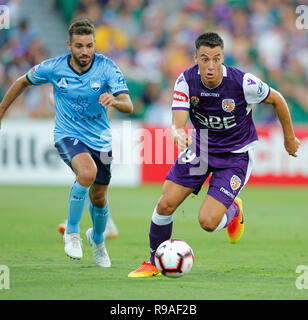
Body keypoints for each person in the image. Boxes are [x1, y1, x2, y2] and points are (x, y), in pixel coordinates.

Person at [128, 32, 300, 277]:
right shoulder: (185, 81)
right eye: (205, 59)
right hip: (202, 148)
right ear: (195, 58)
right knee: (165, 204)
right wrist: (178, 134)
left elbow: (279, 99)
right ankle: (154, 262)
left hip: (235, 156)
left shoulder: (244, 82)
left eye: (217, 59)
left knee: (208, 222)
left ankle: (234, 212)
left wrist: (289, 138)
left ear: (223, 58)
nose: (211, 66)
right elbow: (178, 123)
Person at [0, 17, 133, 268]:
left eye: (89, 46)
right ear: (69, 45)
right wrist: (1, 112)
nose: (85, 51)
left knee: (100, 198)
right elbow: (21, 82)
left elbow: (129, 104)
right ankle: (72, 232)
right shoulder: (54, 67)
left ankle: (97, 241)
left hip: (101, 141)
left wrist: (115, 101)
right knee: (87, 172)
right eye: (79, 46)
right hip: (67, 134)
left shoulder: (107, 67)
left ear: (95, 45)